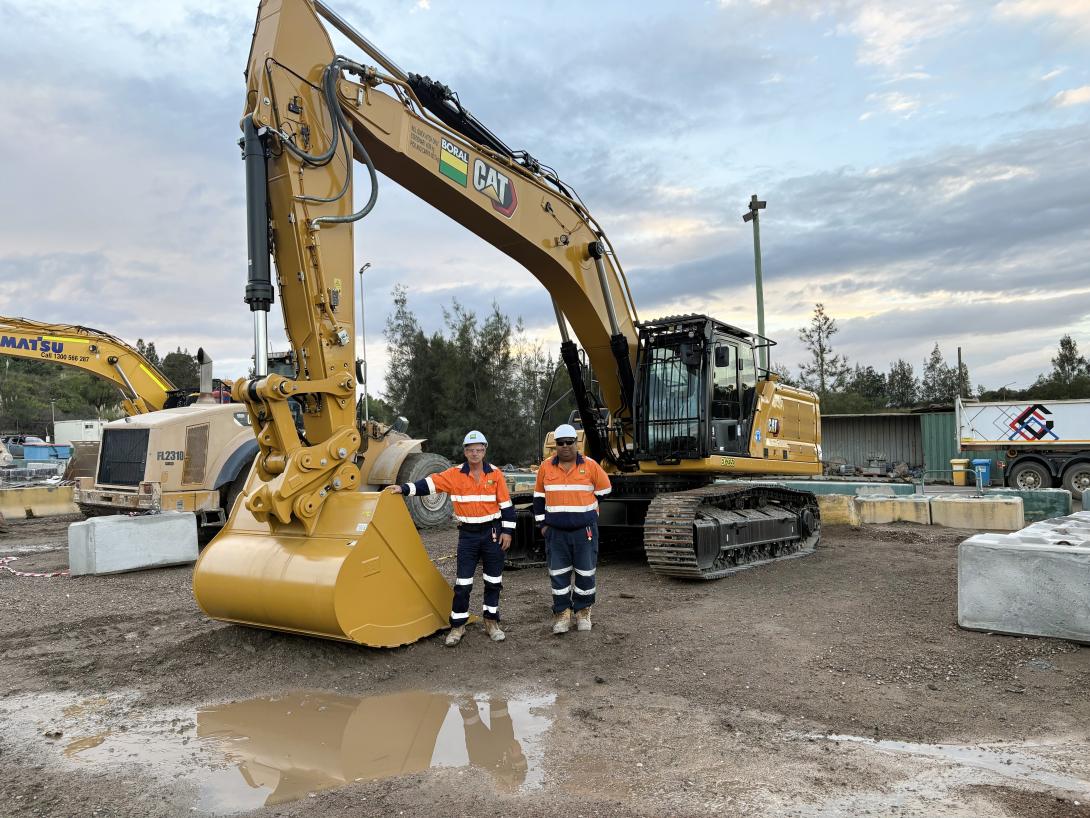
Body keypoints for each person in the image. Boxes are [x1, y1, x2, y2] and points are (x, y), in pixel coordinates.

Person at [386, 430, 515, 646]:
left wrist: (507, 532)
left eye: (479, 450)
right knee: (463, 583)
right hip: (468, 535)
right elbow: (429, 484)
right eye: (471, 450)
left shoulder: (495, 474)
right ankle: (458, 626)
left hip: (492, 533)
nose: (475, 454)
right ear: (465, 452)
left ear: (484, 451)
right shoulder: (453, 474)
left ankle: (491, 622)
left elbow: (507, 506)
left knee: (493, 581)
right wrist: (404, 488)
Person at [532, 423, 612, 634]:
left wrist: (586, 509)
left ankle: (583, 611)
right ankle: (562, 613)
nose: (565, 446)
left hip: (584, 531)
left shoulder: (591, 465)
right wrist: (543, 525)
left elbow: (605, 490)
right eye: (561, 443)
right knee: (558, 574)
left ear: (576, 443)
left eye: (569, 442)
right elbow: (538, 497)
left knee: (586, 572)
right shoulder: (546, 467)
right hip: (556, 533)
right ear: (555, 445)